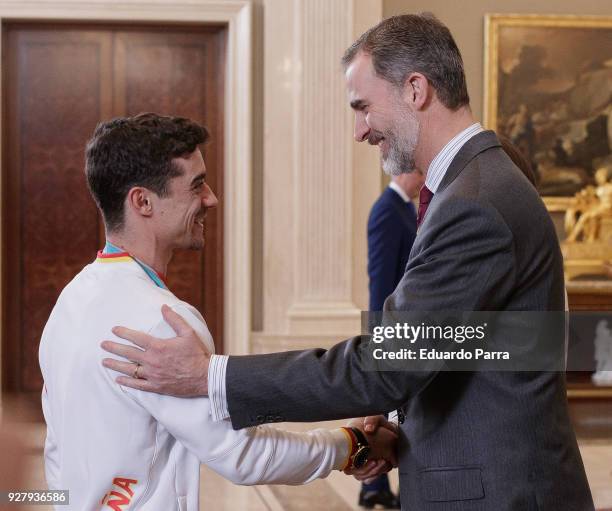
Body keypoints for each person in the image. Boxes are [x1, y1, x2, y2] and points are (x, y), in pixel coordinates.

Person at [102, 15, 594, 510]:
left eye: (362, 107)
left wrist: (212, 377)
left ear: (416, 89)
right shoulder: (476, 184)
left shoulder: (475, 201)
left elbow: (391, 364)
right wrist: (399, 418)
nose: (360, 131)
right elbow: (482, 343)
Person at [39, 113, 397, 510]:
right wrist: (350, 445)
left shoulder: (69, 302)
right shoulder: (164, 321)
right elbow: (241, 456)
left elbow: (56, 452)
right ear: (142, 201)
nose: (211, 197)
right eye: (195, 186)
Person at [361, 171, 423, 509]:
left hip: (408, 323)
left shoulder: (405, 208)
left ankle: (376, 485)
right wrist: (379, 332)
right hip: (392, 324)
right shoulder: (387, 208)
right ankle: (372, 484)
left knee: (393, 407)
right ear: (406, 172)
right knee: (383, 407)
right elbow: (381, 277)